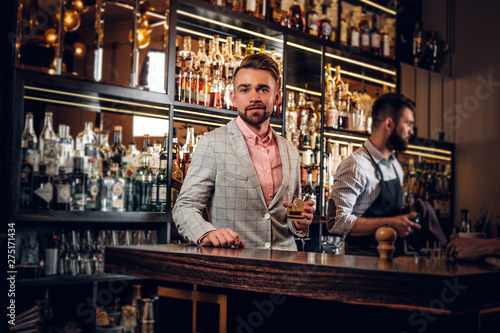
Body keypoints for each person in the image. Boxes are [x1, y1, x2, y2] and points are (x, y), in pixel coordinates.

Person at [173, 53, 315, 250]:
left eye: (263, 89)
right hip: (235, 266)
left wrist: (299, 223)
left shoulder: (290, 150)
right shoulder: (212, 144)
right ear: (233, 97)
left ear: (277, 96)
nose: (254, 97)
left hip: (286, 268)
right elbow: (185, 207)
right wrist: (208, 234)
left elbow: (292, 213)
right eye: (245, 89)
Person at [327, 93, 421, 256]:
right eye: (408, 124)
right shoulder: (356, 164)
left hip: (393, 265)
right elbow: (336, 222)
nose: (411, 131)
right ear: (389, 124)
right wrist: (389, 223)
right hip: (361, 271)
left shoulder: (395, 166)